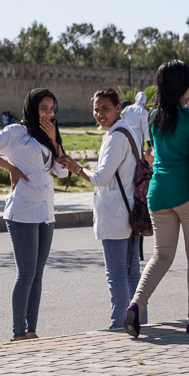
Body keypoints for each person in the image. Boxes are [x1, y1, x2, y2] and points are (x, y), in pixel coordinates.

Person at [123, 61, 189, 337]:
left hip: (157, 192)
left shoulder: (153, 117)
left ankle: (136, 304)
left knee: (161, 256)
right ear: (185, 85)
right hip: (187, 193)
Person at [0, 89, 69, 341]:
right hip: (22, 211)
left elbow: (62, 173)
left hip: (46, 212)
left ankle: (31, 331)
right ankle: (17, 333)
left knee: (37, 275)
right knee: (26, 274)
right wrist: (11, 167)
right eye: (43, 108)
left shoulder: (50, 135)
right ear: (32, 108)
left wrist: (55, 140)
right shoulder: (16, 132)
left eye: (52, 109)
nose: (48, 113)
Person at [61, 88, 147, 331]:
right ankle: (139, 321)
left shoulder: (117, 135)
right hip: (130, 211)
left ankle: (119, 324)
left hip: (117, 214)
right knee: (131, 275)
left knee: (117, 274)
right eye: (96, 109)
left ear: (118, 107)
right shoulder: (128, 131)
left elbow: (101, 177)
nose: (100, 114)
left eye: (105, 108)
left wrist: (77, 169)